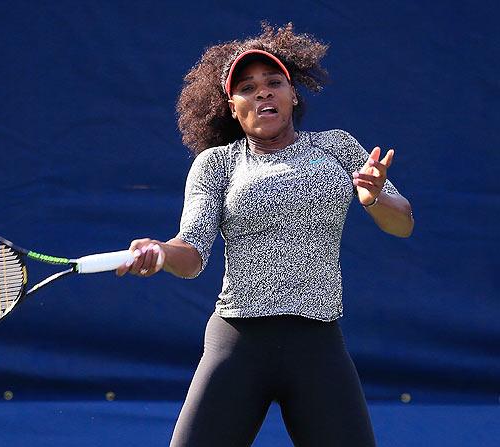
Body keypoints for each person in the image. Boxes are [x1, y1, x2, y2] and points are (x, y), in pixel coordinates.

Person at [116, 22, 414, 447]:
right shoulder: (216, 163)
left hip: (318, 345)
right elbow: (193, 251)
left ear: (293, 94)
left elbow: (402, 223)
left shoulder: (338, 146)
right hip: (237, 345)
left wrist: (373, 196)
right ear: (232, 107)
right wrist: (161, 252)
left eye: (274, 82)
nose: (262, 92)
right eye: (247, 87)